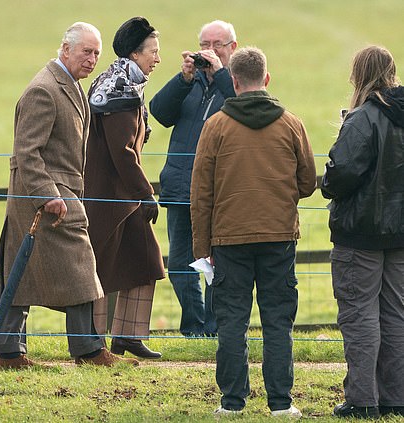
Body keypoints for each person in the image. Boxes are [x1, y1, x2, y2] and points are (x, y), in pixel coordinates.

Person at [0, 22, 138, 369]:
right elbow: (27, 152)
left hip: (59, 196)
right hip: (48, 200)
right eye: (86, 52)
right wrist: (46, 195)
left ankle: (9, 352)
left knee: (24, 269)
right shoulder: (43, 90)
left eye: (96, 54)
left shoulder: (69, 85)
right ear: (65, 48)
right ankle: (87, 350)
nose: (91, 60)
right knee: (79, 268)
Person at [191, 47, 316, 417]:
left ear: (233, 81)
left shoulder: (215, 126)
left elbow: (201, 194)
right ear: (266, 79)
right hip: (278, 236)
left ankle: (232, 402)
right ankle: (281, 403)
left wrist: (202, 247)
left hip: (228, 239)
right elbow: (308, 182)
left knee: (232, 321)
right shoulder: (291, 123)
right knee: (278, 320)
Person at [321, 45, 404, 420]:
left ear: (360, 75)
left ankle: (362, 399)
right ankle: (395, 396)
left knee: (359, 315)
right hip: (400, 236)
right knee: (396, 315)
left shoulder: (363, 118)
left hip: (361, 235)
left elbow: (341, 177)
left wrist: (327, 180)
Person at [149, 20, 238, 338]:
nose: (210, 51)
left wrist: (222, 76)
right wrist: (184, 78)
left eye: (217, 44)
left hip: (217, 192)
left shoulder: (237, 84)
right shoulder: (190, 83)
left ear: (232, 48)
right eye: (204, 45)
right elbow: (158, 111)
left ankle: (213, 327)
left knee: (218, 263)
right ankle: (194, 325)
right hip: (178, 187)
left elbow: (242, 109)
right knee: (180, 263)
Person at [84, 17, 165, 359]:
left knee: (144, 259)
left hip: (120, 197)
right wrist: (146, 193)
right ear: (135, 53)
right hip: (111, 198)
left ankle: (126, 336)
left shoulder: (118, 83)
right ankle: (94, 343)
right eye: (153, 52)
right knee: (104, 267)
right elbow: (122, 152)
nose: (158, 59)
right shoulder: (121, 92)